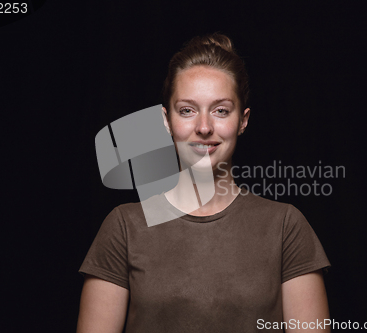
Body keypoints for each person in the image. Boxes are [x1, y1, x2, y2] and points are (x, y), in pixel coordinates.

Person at [77, 32, 331, 333]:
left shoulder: (286, 226)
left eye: (221, 110)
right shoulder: (124, 226)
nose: (204, 127)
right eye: (187, 110)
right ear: (166, 120)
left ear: (243, 120)